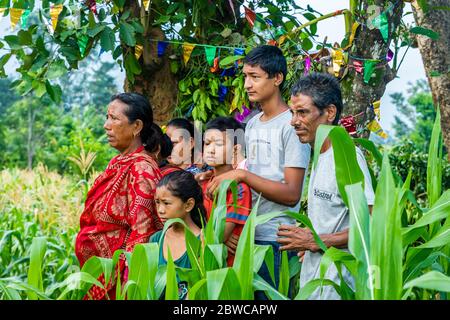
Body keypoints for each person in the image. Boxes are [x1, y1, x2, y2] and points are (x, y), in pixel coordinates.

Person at [206, 45, 311, 293]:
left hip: (275, 241)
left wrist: (241, 174)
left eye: (255, 77)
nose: (247, 85)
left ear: (277, 78)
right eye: (245, 77)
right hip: (246, 236)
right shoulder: (252, 124)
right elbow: (244, 178)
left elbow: (291, 193)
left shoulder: (291, 125)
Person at [277, 73, 375, 300]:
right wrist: (310, 244)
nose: (293, 121)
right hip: (316, 283)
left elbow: (370, 226)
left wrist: (315, 241)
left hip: (339, 287)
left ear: (329, 113)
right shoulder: (319, 154)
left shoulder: (346, 156)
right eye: (293, 113)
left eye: (302, 112)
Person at [75, 93, 163, 300]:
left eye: (114, 119)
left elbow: (143, 234)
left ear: (137, 126)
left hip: (119, 282)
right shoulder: (118, 162)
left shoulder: (142, 170)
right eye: (107, 117)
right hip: (100, 274)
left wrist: (128, 285)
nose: (107, 125)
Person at [201, 117, 252, 266]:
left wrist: (219, 235)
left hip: (228, 268)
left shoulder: (239, 189)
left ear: (235, 149)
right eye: (207, 143)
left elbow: (218, 235)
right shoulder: (204, 183)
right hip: (205, 263)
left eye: (218, 144)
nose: (210, 149)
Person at [150, 170, 205, 300]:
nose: (160, 210)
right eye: (157, 202)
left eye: (166, 203)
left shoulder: (202, 241)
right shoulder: (156, 240)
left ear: (188, 205)